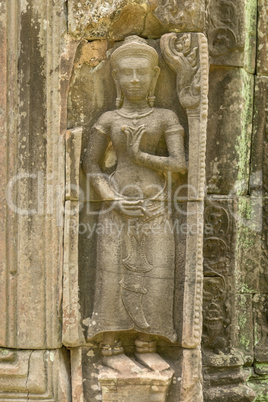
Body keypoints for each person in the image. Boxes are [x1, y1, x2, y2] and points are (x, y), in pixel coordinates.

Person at [83, 35, 187, 371]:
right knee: (112, 276)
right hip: (116, 209)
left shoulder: (165, 116)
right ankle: (110, 346)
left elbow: (180, 164)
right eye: (126, 74)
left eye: (142, 73)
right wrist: (112, 199)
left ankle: (147, 342)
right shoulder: (110, 119)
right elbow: (91, 166)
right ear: (116, 78)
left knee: (157, 274)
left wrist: (141, 155)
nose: (135, 80)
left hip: (155, 210)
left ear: (156, 75)